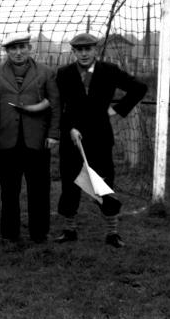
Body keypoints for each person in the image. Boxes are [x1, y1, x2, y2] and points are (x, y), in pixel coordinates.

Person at [55, 33, 147, 248]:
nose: (84, 53)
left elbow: (139, 88)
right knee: (70, 184)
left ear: (95, 50)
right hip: (72, 140)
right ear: (74, 52)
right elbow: (60, 107)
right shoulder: (64, 74)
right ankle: (69, 230)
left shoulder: (109, 70)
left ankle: (112, 233)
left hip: (100, 139)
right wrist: (69, 129)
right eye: (79, 50)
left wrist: (116, 109)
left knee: (104, 184)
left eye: (88, 49)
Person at [0, 32, 60, 243]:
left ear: (30, 48)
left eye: (22, 47)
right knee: (9, 191)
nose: (18, 52)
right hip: (5, 141)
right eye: (13, 48)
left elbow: (54, 104)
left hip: (37, 140)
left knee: (39, 189)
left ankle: (39, 233)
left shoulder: (46, 73)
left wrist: (54, 134)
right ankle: (9, 233)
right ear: (6, 51)